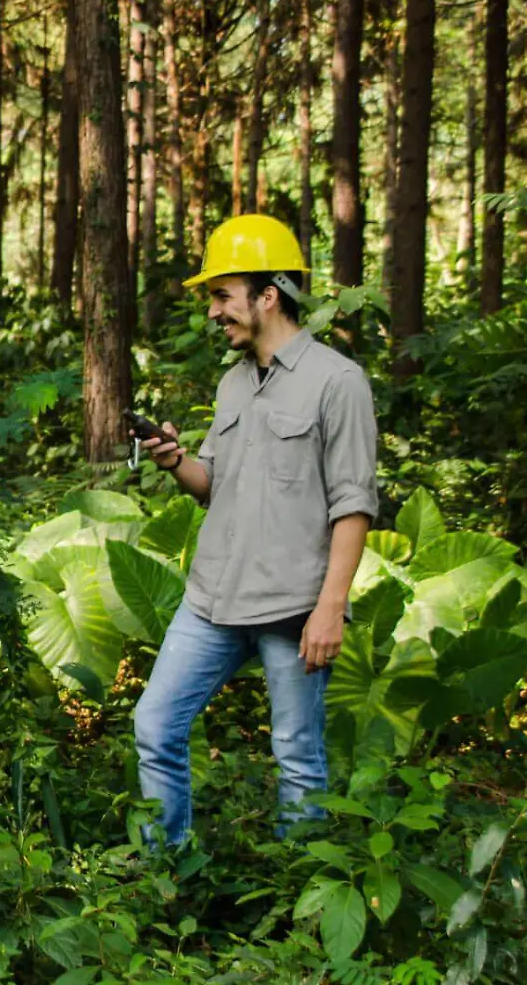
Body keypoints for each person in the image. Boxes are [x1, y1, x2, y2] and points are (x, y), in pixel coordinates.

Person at [131, 213, 379, 845]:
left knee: (297, 755)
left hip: (293, 606)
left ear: (268, 294)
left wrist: (331, 608)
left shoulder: (338, 382)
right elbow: (214, 484)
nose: (214, 312)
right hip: (213, 597)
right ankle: (166, 872)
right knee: (155, 725)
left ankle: (304, 902)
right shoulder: (233, 383)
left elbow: (353, 505)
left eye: (223, 296)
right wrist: (175, 461)